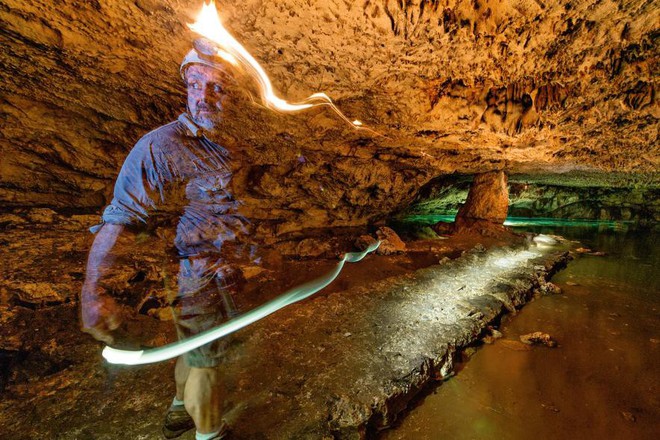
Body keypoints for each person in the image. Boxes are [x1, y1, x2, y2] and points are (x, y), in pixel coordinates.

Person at [80, 38, 258, 440]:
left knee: (194, 349)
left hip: (209, 270)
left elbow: (223, 207)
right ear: (185, 89)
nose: (204, 96)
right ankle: (210, 433)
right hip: (196, 275)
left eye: (216, 87)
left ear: (231, 95)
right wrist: (93, 291)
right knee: (207, 364)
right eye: (195, 84)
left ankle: (180, 411)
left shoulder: (221, 146)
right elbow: (120, 218)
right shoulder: (161, 146)